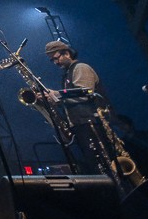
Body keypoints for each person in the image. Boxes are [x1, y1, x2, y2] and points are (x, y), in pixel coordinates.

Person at [44, 40, 108, 174]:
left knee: (103, 163)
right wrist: (50, 99)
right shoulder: (67, 74)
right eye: (52, 60)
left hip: (91, 123)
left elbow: (84, 93)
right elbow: (70, 99)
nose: (55, 63)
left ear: (67, 53)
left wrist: (56, 94)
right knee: (94, 166)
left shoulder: (80, 68)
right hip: (81, 125)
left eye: (56, 58)